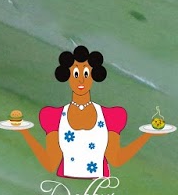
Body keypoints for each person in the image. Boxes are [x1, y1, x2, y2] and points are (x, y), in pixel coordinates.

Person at [16, 45, 161, 177]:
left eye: (85, 74)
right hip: (63, 185)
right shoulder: (54, 117)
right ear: (67, 76)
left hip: (100, 186)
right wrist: (25, 132)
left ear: (93, 76)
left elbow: (116, 159)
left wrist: (147, 135)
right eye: (76, 75)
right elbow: (50, 163)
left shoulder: (110, 117)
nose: (81, 81)